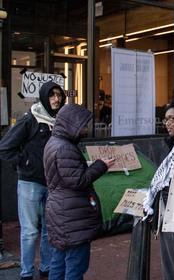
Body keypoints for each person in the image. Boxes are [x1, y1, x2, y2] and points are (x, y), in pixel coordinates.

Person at [0, 81, 66, 280]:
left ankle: (45, 269)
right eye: (52, 95)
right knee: (29, 232)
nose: (56, 99)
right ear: (44, 96)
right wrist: (26, 162)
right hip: (30, 183)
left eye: (59, 95)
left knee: (48, 230)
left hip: (52, 184)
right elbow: (5, 147)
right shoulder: (30, 118)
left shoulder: (60, 120)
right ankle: (26, 273)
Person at [43, 104, 116, 280]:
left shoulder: (53, 143)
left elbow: (68, 176)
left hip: (60, 212)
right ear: (71, 124)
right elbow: (78, 180)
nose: (84, 129)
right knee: (75, 267)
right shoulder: (65, 148)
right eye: (82, 125)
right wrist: (101, 165)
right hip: (72, 216)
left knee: (58, 263)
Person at [143, 103, 174, 280]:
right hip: (166, 211)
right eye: (166, 119)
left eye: (173, 118)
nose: (168, 123)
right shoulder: (171, 145)